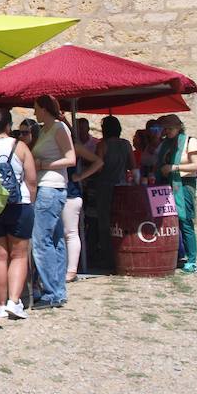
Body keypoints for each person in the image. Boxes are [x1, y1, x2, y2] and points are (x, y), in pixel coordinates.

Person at [0, 108, 37, 320]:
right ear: (8, 125)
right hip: (19, 204)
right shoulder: (21, 147)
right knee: (19, 255)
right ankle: (14, 302)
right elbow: (31, 180)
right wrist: (30, 201)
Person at [30, 95, 76, 308]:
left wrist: (43, 165)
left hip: (51, 187)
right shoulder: (46, 129)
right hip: (48, 187)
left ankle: (51, 292)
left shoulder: (58, 128)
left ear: (44, 109)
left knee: (41, 241)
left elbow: (71, 158)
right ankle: (57, 291)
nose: (34, 112)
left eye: (36, 108)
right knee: (55, 240)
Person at [155, 114, 197, 273]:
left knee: (185, 221)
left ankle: (192, 259)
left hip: (183, 185)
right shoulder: (165, 144)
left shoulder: (190, 141)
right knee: (169, 221)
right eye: (165, 128)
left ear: (178, 127)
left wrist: (174, 168)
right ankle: (173, 254)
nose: (167, 131)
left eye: (170, 128)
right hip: (167, 185)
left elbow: (196, 165)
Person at [93, 115, 137, 271]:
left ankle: (108, 259)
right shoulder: (126, 144)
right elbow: (133, 166)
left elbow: (98, 167)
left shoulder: (102, 145)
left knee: (105, 223)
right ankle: (122, 253)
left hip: (105, 187)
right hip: (122, 187)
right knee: (121, 222)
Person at [65, 140, 103, 281]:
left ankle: (71, 270)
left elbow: (98, 162)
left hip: (70, 192)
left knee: (71, 233)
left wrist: (80, 176)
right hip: (62, 191)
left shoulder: (75, 146)